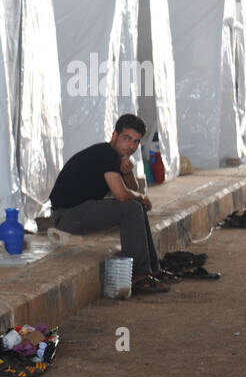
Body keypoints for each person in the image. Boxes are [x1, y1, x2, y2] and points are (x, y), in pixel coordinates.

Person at [48, 113, 167, 294]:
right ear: (114, 136)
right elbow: (122, 195)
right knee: (132, 208)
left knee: (136, 207)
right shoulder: (105, 154)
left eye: (135, 142)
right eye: (127, 139)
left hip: (79, 211)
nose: (131, 146)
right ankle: (139, 275)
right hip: (67, 216)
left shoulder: (116, 157)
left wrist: (128, 175)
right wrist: (140, 198)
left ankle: (153, 268)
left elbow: (133, 192)